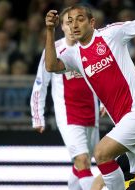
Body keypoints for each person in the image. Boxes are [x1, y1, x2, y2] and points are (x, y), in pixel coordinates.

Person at [44, 4, 135, 190]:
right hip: (126, 123)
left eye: (80, 19)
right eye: (70, 21)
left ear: (92, 22)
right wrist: (50, 31)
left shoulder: (111, 34)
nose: (74, 24)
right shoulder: (74, 55)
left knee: (101, 153)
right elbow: (51, 66)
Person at [30, 8, 100, 190]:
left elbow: (101, 78)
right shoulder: (54, 50)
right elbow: (40, 83)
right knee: (82, 160)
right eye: (67, 22)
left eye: (75, 22)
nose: (72, 26)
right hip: (68, 116)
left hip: (92, 115)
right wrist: (37, 116)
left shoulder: (89, 48)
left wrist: (105, 103)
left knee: (81, 165)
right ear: (61, 26)